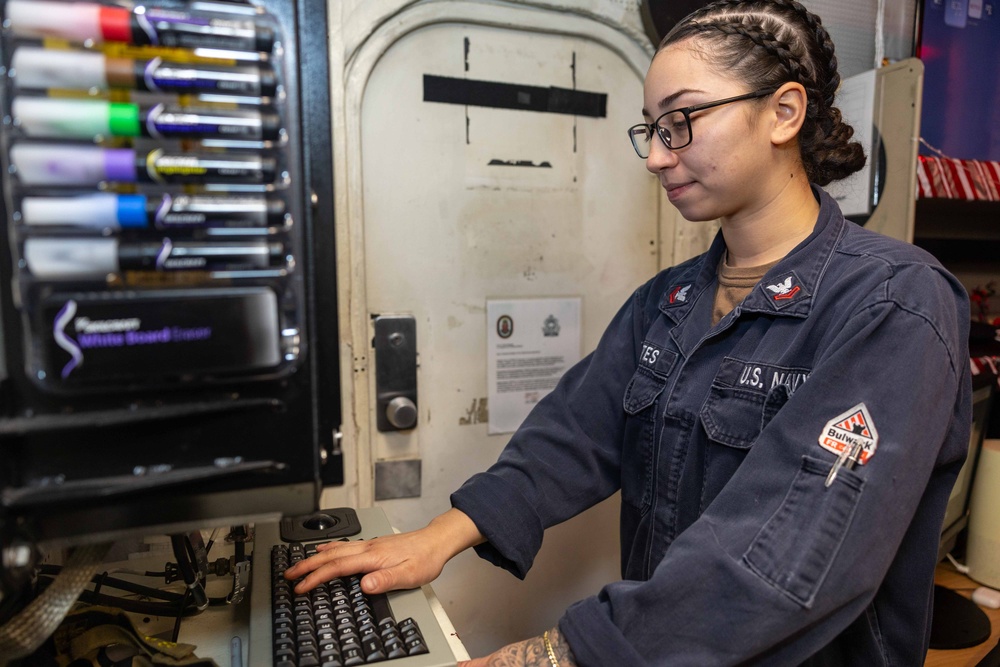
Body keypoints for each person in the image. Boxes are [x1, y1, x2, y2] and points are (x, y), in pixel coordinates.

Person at [286, 1, 972, 664]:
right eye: (652, 129)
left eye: (681, 122)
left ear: (783, 112)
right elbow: (575, 432)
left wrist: (553, 655)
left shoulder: (893, 305)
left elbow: (785, 558)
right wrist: (436, 537)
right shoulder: (669, 300)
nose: (656, 157)